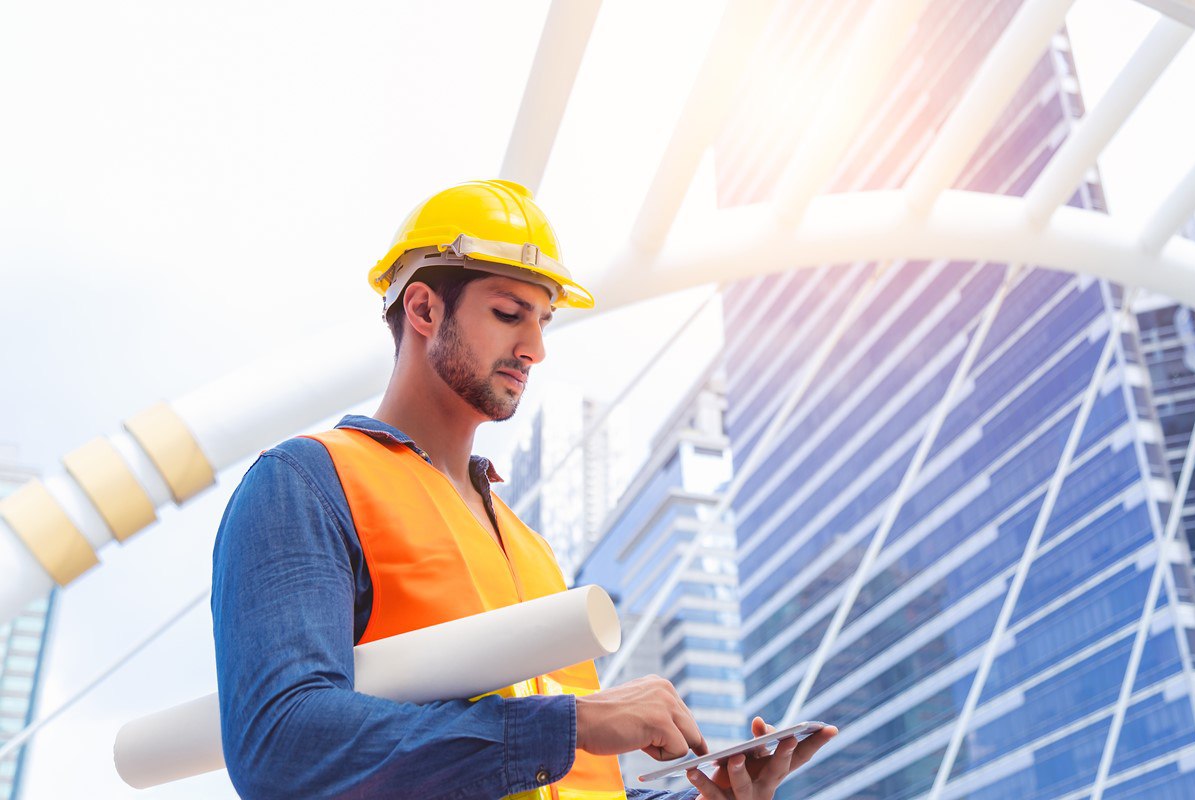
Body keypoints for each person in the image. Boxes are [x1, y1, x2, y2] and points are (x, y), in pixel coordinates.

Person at [211, 179, 836, 799]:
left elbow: (561, 781)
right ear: (425, 310)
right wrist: (575, 724)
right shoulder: (306, 485)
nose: (535, 348)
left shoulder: (530, 548)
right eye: (509, 314)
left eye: (543, 321)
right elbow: (280, 744)